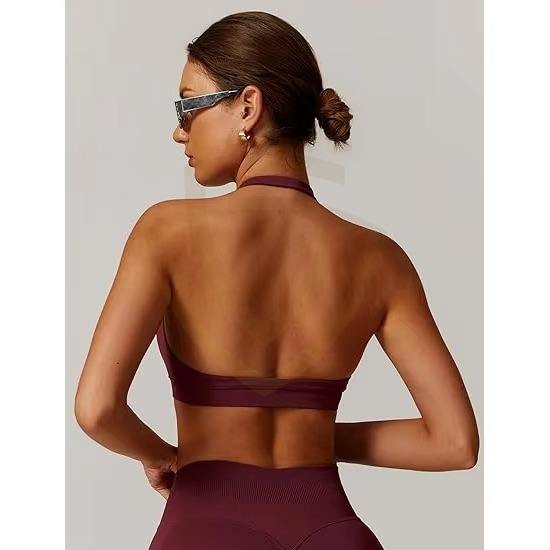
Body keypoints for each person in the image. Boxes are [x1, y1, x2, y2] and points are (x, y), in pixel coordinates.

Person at [74, 10, 479, 550]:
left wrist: (163, 455)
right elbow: (453, 443)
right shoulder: (381, 260)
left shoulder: (166, 231)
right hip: (334, 534)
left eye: (188, 105)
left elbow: (97, 409)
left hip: (206, 528)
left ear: (248, 106)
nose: (179, 130)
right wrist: (310, 434)